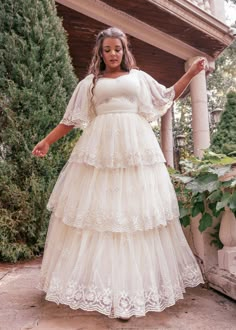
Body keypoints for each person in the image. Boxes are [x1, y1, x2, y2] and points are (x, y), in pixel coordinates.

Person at [32, 27, 205, 319]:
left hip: (136, 152)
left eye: (118, 49)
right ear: (100, 53)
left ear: (125, 51)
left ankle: (130, 294)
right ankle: (104, 291)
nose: (113, 54)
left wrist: (191, 74)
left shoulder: (139, 78)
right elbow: (71, 120)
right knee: (101, 218)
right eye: (107, 49)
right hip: (99, 153)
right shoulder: (90, 83)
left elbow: (165, 97)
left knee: (134, 218)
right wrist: (47, 141)